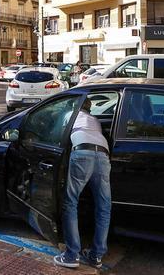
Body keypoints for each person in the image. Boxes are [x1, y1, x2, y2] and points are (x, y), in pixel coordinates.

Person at [54, 98, 111, 270]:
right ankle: (96, 256)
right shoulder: (94, 120)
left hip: (82, 153)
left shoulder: (70, 115)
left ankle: (71, 255)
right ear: (89, 108)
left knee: (70, 202)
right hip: (103, 155)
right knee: (104, 207)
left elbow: (58, 136)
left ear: (75, 105)